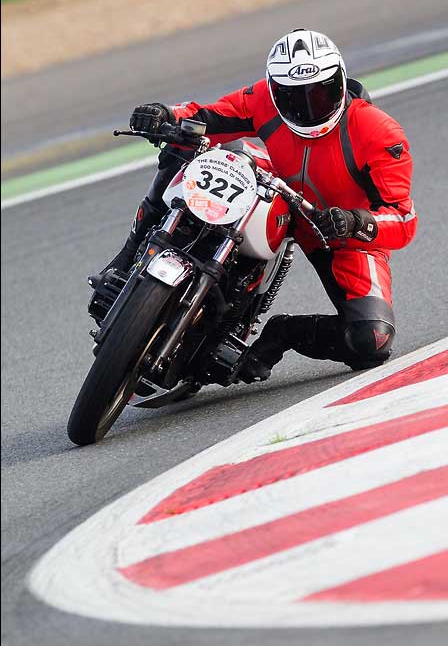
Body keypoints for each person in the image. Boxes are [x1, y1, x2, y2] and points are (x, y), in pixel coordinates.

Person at [101, 29, 417, 382]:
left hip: (337, 231)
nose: (308, 106)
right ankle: (127, 259)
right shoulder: (262, 98)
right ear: (274, 88)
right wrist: (163, 115)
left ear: (341, 81)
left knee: (371, 338)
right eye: (293, 97)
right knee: (184, 144)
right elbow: (207, 116)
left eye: (321, 93)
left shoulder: (379, 132)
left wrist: (356, 221)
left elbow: (403, 218)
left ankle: (279, 336)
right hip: (275, 191)